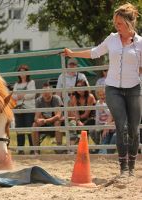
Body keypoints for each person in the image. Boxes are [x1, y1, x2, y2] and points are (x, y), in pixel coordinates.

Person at [64, 3, 141, 177]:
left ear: (130, 23)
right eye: (115, 23)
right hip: (113, 88)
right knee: (121, 127)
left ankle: (132, 166)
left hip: (134, 89)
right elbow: (94, 52)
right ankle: (123, 169)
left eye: (120, 23)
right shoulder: (111, 39)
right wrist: (72, 53)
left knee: (134, 130)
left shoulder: (140, 44)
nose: (116, 26)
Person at [31, 82, 63, 154]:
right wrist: (38, 120)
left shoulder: (56, 99)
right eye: (43, 91)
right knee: (34, 125)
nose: (45, 93)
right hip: (45, 122)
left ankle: (59, 148)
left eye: (47, 91)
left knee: (57, 123)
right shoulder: (39, 100)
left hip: (55, 122)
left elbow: (58, 116)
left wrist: (45, 120)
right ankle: (36, 150)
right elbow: (36, 117)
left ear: (51, 92)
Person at [13, 64, 36, 155]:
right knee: (19, 129)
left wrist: (20, 96)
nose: (22, 73)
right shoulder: (16, 84)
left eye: (24, 71)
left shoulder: (31, 82)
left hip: (28, 109)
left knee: (29, 129)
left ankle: (32, 148)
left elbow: (32, 94)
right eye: (20, 71)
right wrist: (23, 95)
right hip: (18, 109)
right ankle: (20, 149)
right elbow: (13, 96)